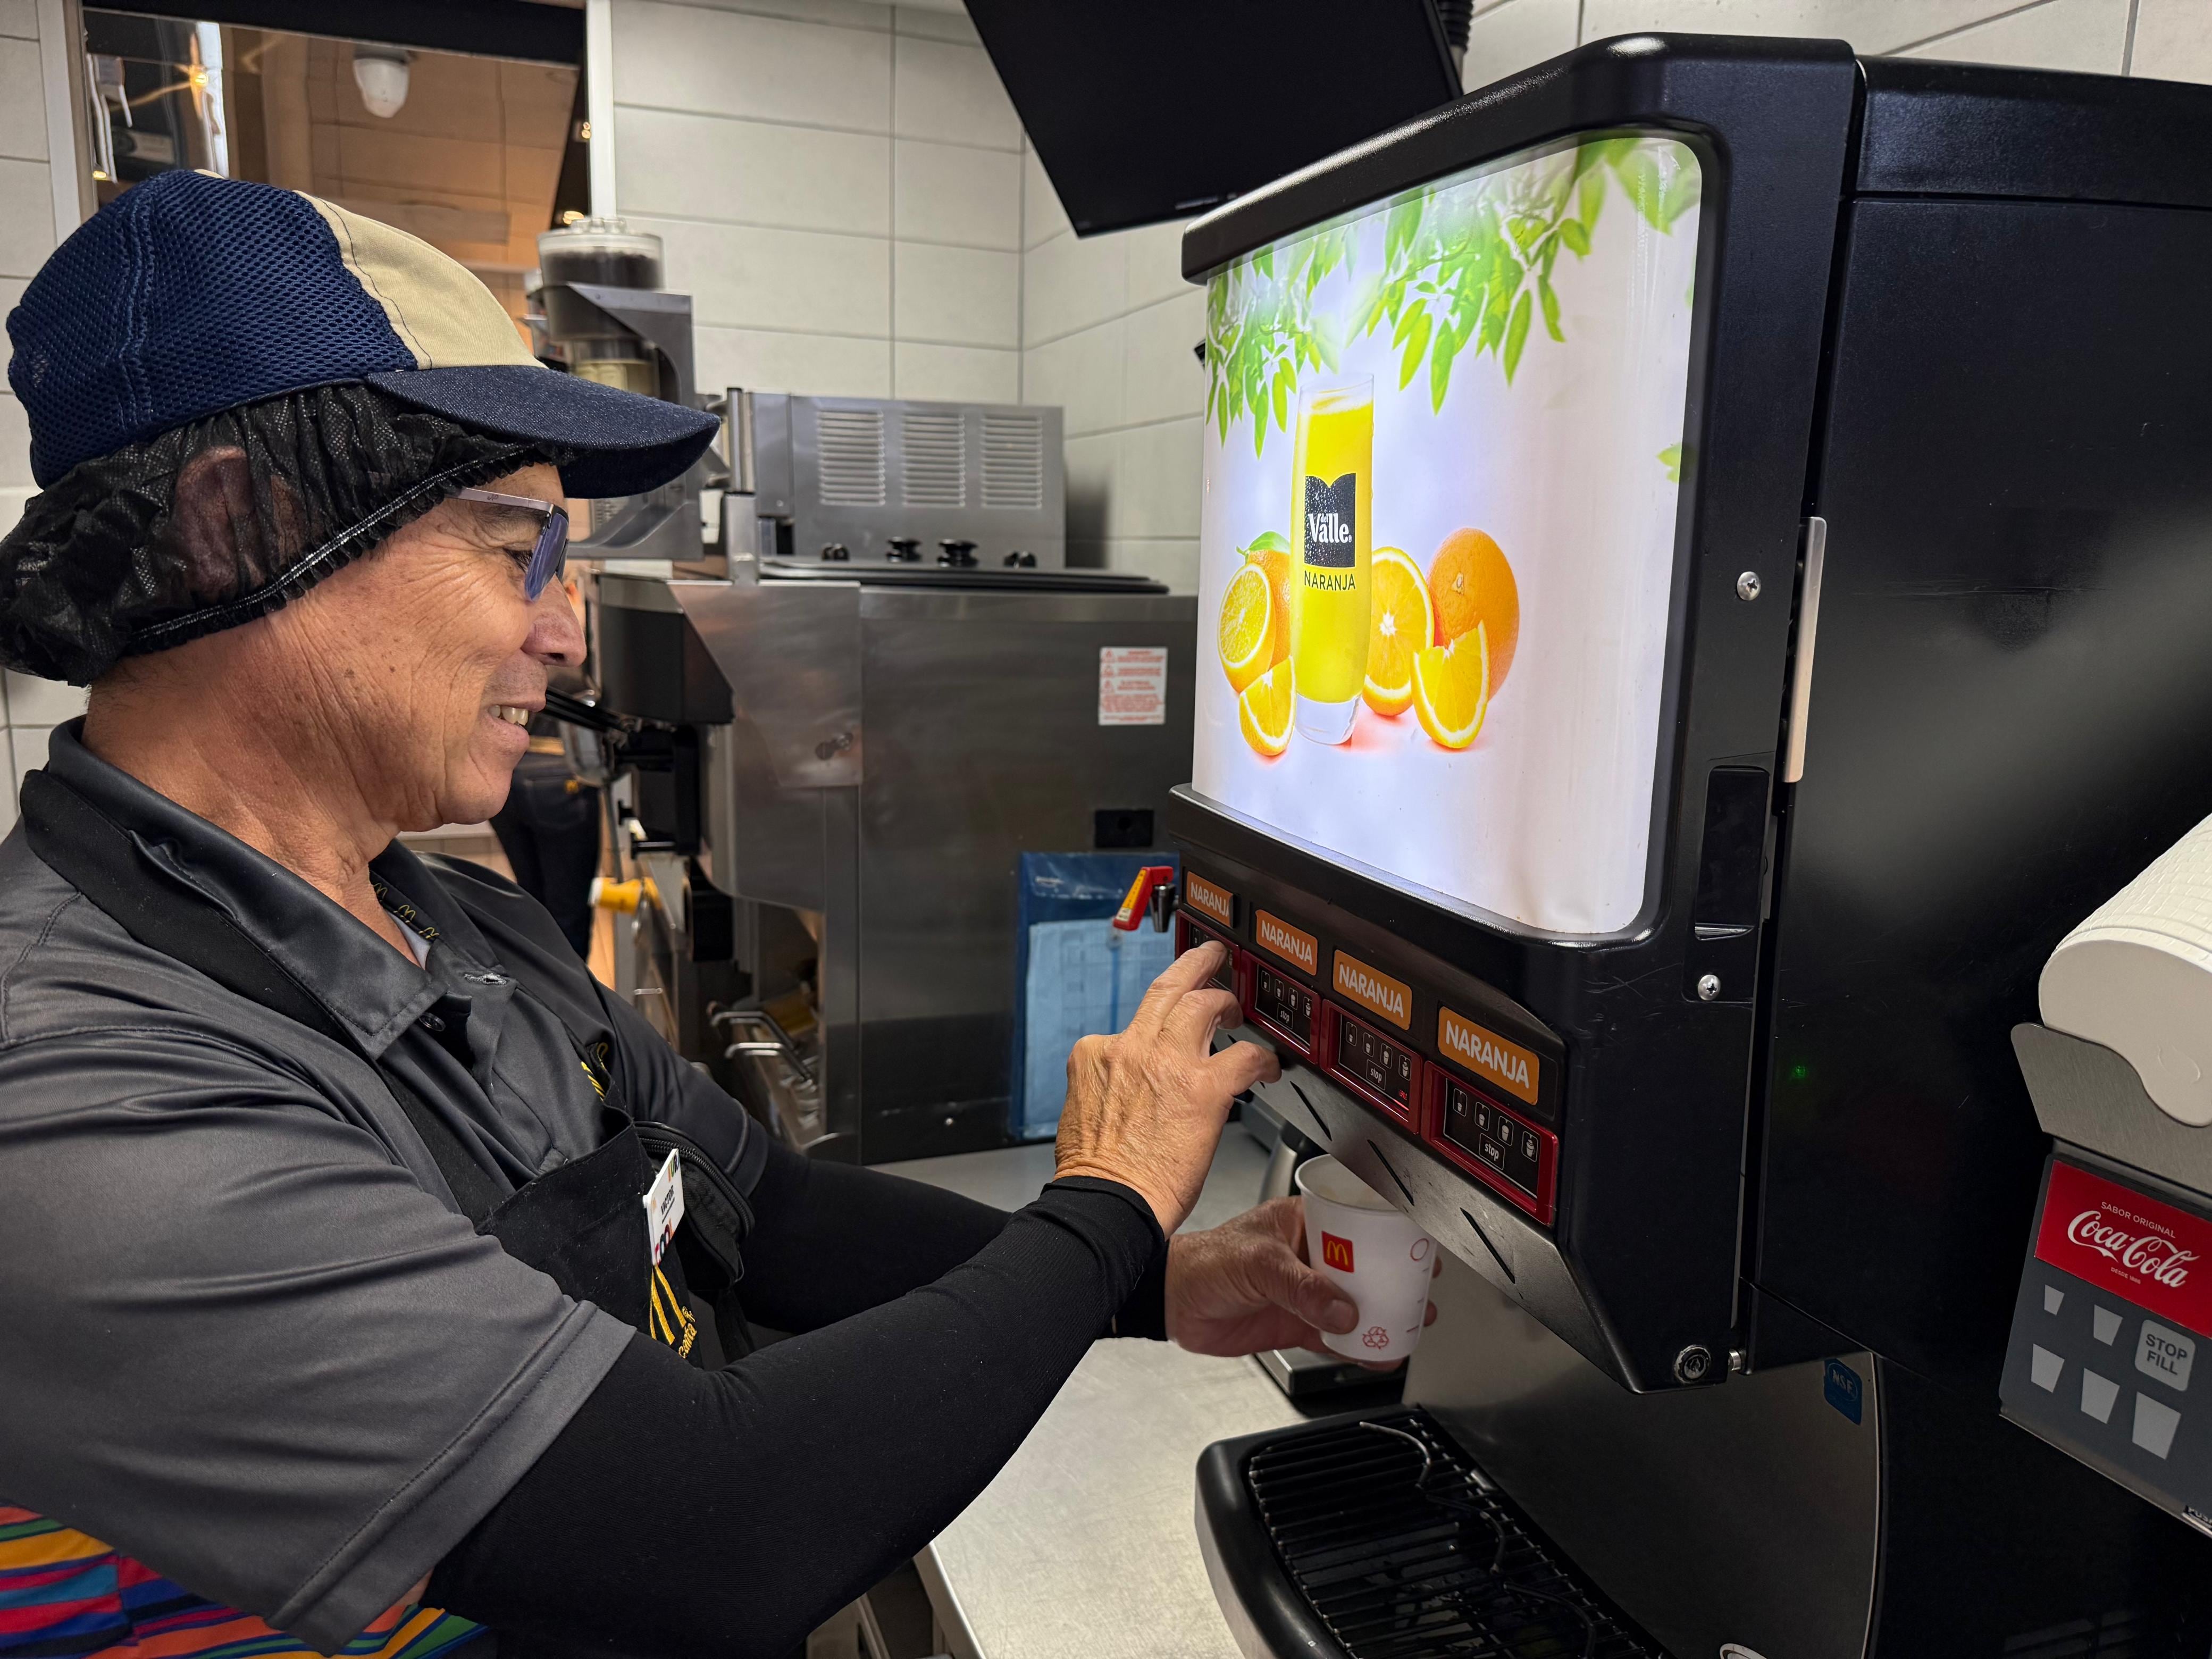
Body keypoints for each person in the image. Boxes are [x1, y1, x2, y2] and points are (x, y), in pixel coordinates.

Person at [0, 172, 1394, 1659]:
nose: (563, 624)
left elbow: (772, 1216)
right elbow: (717, 1522)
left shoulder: (461, 927)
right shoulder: (81, 1092)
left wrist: (1158, 1280)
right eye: (512, 546)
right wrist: (1106, 1206)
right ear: (235, 526)